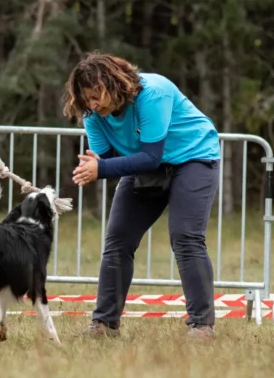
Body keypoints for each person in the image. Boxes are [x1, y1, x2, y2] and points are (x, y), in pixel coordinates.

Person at [62, 51, 221, 341]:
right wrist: (93, 166)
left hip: (194, 158)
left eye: (97, 96)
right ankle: (104, 325)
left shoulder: (153, 93)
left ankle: (202, 326)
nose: (94, 105)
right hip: (149, 165)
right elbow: (109, 160)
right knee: (118, 239)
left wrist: (102, 167)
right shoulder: (92, 115)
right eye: (87, 100)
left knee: (185, 237)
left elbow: (149, 156)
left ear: (113, 83)